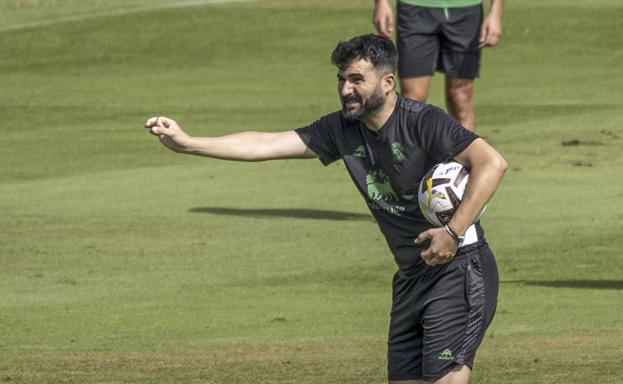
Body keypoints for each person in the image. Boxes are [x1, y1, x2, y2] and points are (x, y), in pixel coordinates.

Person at [144, 34, 507, 384]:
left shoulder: (422, 122)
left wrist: (452, 232)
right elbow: (266, 144)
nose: (345, 89)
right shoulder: (341, 129)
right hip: (411, 277)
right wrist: (189, 143)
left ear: (388, 82)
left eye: (356, 79)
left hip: (459, 267)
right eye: (341, 79)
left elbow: (491, 163)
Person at [373, 0, 504, 131]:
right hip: (415, 9)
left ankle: (464, 150)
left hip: (466, 10)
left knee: (461, 101)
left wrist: (495, 13)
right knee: (412, 101)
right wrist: (381, 3)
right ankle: (408, 151)